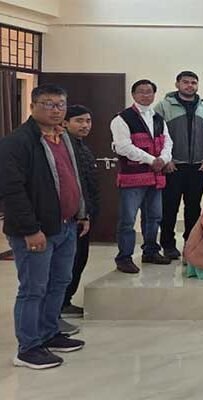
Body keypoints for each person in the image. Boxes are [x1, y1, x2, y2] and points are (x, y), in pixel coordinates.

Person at [0, 84, 88, 369]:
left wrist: (82, 213)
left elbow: (74, 177)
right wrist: (29, 229)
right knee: (33, 289)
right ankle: (28, 347)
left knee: (59, 283)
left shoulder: (64, 137)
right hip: (37, 230)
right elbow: (11, 190)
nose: (56, 109)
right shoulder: (18, 142)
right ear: (32, 106)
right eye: (48, 104)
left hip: (66, 225)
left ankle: (49, 333)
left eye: (60, 104)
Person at [111, 79, 173, 273]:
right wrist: (150, 159)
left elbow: (168, 142)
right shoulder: (122, 118)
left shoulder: (158, 118)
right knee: (128, 220)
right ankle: (124, 257)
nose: (146, 95)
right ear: (134, 94)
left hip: (155, 176)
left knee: (154, 216)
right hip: (133, 178)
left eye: (149, 92)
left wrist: (163, 159)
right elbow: (123, 146)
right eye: (141, 92)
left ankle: (150, 251)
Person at [154, 71, 203, 260]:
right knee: (169, 207)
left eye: (193, 82)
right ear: (177, 84)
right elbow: (156, 137)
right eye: (185, 82)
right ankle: (168, 244)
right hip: (173, 167)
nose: (190, 86)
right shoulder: (163, 107)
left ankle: (192, 243)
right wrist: (166, 160)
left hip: (199, 166)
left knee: (193, 207)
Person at [60, 105, 100, 322]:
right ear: (65, 123)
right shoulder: (63, 147)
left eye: (88, 121)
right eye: (79, 121)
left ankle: (64, 302)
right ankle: (58, 307)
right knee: (69, 262)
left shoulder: (80, 146)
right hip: (72, 216)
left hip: (83, 214)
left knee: (79, 259)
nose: (85, 125)